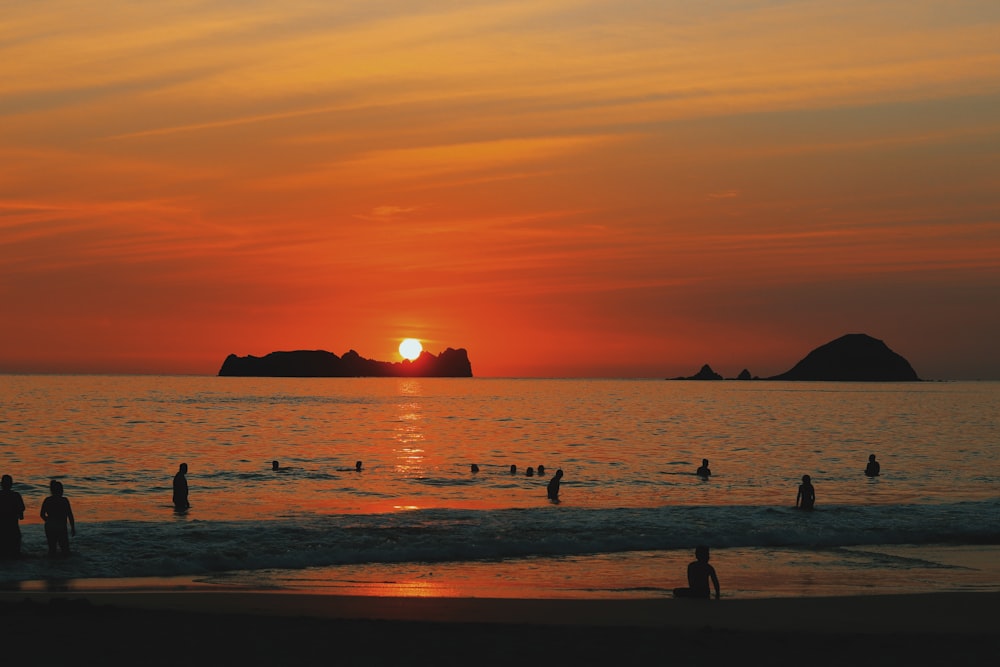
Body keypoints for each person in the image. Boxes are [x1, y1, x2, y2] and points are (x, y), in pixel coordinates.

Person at [40, 480, 75, 557]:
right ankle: (63, 567)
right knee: (65, 549)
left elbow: (42, 514)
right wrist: (73, 528)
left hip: (50, 526)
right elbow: (70, 515)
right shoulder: (64, 500)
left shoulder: (47, 500)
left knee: (52, 549)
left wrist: (48, 521)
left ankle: (51, 566)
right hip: (61, 526)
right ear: (61, 490)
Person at [0, 474, 26, 558]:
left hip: (1, 527)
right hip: (13, 527)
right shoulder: (16, 495)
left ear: (1, 484)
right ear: (11, 484)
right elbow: (21, 512)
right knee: (15, 553)